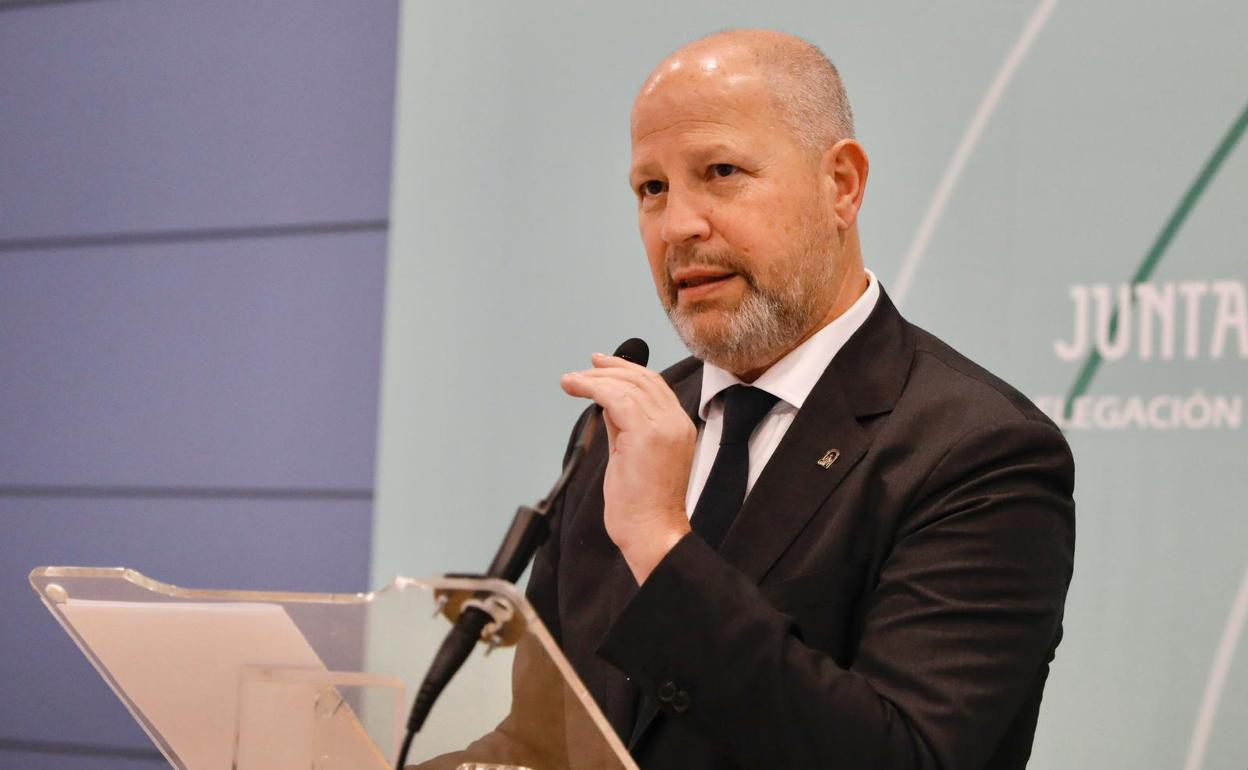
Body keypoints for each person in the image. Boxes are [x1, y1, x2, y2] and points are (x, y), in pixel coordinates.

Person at [433, 28, 1075, 770]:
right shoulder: (621, 428)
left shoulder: (977, 450)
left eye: (721, 171)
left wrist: (661, 543)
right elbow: (546, 743)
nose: (679, 226)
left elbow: (905, 756)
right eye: (652, 189)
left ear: (841, 184)